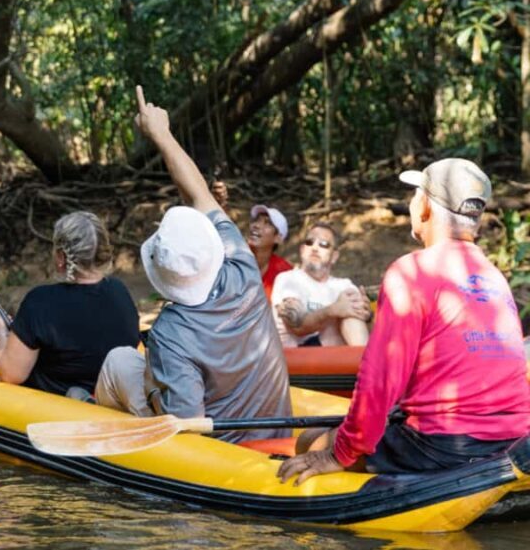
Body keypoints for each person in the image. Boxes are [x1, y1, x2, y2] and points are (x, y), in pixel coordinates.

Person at [278, 158, 530, 484]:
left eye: (414, 195)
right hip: (515, 441)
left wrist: (337, 453)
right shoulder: (492, 275)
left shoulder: (411, 272)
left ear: (424, 207)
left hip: (444, 446)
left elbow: (378, 379)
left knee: (309, 440)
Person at [94, 86, 292, 443]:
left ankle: (97, 427)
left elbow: (186, 424)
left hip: (226, 455)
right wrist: (162, 134)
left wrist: (153, 387)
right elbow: (200, 194)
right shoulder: (241, 268)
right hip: (276, 430)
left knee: (120, 362)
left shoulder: (171, 330)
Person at [0, 211, 139, 397]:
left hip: (46, 403)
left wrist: (1, 331)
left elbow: (10, 375)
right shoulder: (120, 292)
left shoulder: (41, 302)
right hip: (101, 396)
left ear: (62, 257)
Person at [271, 222, 370, 347]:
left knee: (350, 309)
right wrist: (333, 310)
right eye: (309, 242)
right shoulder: (288, 279)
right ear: (302, 250)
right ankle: (364, 362)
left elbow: (361, 317)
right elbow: (298, 326)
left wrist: (367, 313)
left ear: (334, 256)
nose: (315, 248)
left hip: (337, 358)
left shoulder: (344, 285)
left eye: (324, 244)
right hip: (297, 357)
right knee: (343, 311)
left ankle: (364, 363)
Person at [211, 181, 292, 300]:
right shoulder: (235, 254)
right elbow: (220, 232)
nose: (256, 226)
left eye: (267, 223)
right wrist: (218, 204)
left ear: (278, 238)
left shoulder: (285, 273)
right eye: (256, 220)